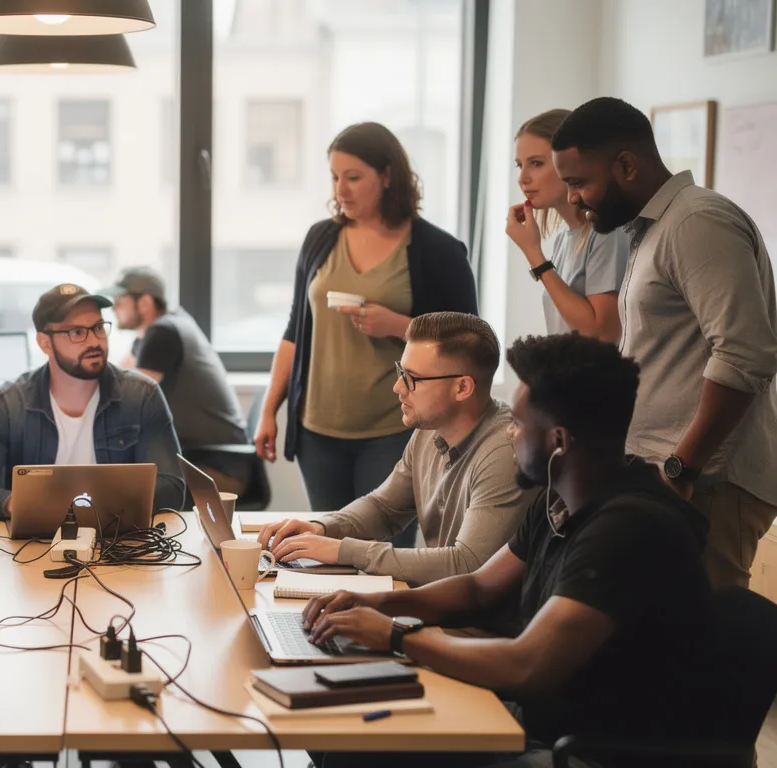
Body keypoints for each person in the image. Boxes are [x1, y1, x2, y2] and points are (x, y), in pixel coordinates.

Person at [303, 333, 711, 768]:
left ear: (558, 441)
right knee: (345, 732)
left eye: (517, 423)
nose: (510, 436)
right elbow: (479, 588)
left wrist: (397, 635)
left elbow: (527, 665)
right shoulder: (561, 499)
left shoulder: (627, 528)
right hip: (547, 722)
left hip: (593, 751)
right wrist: (376, 604)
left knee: (365, 753)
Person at [551, 96, 777, 588]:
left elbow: (745, 355)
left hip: (706, 485)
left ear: (626, 165)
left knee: (698, 647)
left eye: (578, 182)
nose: (572, 199)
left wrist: (681, 467)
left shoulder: (697, 223)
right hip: (666, 478)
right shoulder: (652, 228)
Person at [254, 122, 478, 520]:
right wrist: (269, 409)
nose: (341, 190)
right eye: (335, 177)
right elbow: (295, 330)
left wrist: (398, 326)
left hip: (396, 430)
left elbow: (469, 343)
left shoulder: (437, 250)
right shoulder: (320, 238)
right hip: (317, 432)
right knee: (325, 552)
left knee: (382, 557)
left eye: (354, 177)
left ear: (388, 176)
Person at [258, 313, 531, 585]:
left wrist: (344, 551)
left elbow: (467, 565)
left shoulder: (504, 452)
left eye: (412, 378)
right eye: (401, 371)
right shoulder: (429, 431)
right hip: (443, 608)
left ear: (462, 387)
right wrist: (323, 528)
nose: (398, 387)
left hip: (480, 625)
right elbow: (384, 508)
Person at [0, 284, 184, 519]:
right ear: (45, 343)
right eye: (76, 332)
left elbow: (172, 486)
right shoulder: (6, 404)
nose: (94, 341)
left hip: (120, 542)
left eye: (98, 327)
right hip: (33, 545)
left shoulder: (142, 396)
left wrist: (101, 506)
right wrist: (15, 504)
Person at [103, 266, 249, 495]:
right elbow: (113, 379)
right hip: (203, 459)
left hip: (215, 468)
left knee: (117, 484)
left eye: (120, 301)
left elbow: (128, 400)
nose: (114, 308)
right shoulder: (161, 329)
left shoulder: (163, 333)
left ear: (145, 303)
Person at [505, 108, 629, 340]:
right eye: (519, 165)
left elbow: (602, 335)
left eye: (536, 163)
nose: (523, 178)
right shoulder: (565, 238)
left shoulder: (608, 233)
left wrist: (534, 254)